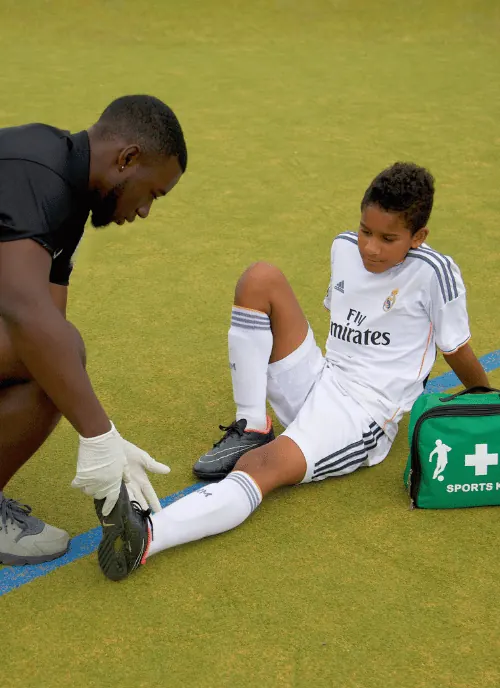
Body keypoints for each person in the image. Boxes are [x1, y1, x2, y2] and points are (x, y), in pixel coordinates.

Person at [96, 162, 489, 581]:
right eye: (365, 231)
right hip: (323, 376)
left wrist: (487, 401)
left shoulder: (434, 274)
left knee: (262, 467)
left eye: (388, 239)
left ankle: (149, 535)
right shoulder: (343, 248)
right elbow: (342, 320)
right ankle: (252, 424)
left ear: (418, 237)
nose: (370, 248)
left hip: (363, 414)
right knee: (260, 278)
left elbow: (456, 349)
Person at [0, 95, 187, 566]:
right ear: (127, 159)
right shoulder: (37, 169)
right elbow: (24, 311)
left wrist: (106, 437)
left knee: (54, 366)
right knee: (50, 351)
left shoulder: (71, 207)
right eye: (152, 193)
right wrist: (99, 436)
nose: (145, 211)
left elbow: (51, 326)